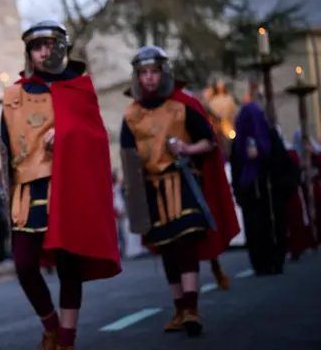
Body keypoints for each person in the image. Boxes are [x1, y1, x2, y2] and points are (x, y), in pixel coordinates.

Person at [0, 21, 121, 350]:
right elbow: (6, 147)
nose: (44, 52)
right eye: (37, 47)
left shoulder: (79, 87)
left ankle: (66, 338)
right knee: (24, 264)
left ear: (62, 47)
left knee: (69, 265)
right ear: (29, 53)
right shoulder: (14, 94)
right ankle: (50, 324)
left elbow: (95, 138)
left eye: (50, 45)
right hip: (27, 190)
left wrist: (67, 134)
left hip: (66, 187)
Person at [120, 46, 240, 337]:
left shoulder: (182, 106)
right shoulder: (131, 115)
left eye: (154, 72)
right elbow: (128, 157)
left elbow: (209, 142)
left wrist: (187, 148)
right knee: (168, 249)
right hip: (152, 190)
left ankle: (191, 309)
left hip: (183, 183)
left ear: (163, 73)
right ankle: (178, 309)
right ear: (138, 77)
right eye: (143, 73)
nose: (149, 78)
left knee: (185, 243)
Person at [230, 103, 299, 274]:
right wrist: (239, 192)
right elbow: (237, 169)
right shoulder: (239, 143)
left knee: (274, 226)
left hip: (271, 192)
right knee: (255, 230)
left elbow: (281, 162)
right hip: (251, 195)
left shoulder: (269, 137)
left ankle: (276, 260)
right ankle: (261, 264)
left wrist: (261, 155)